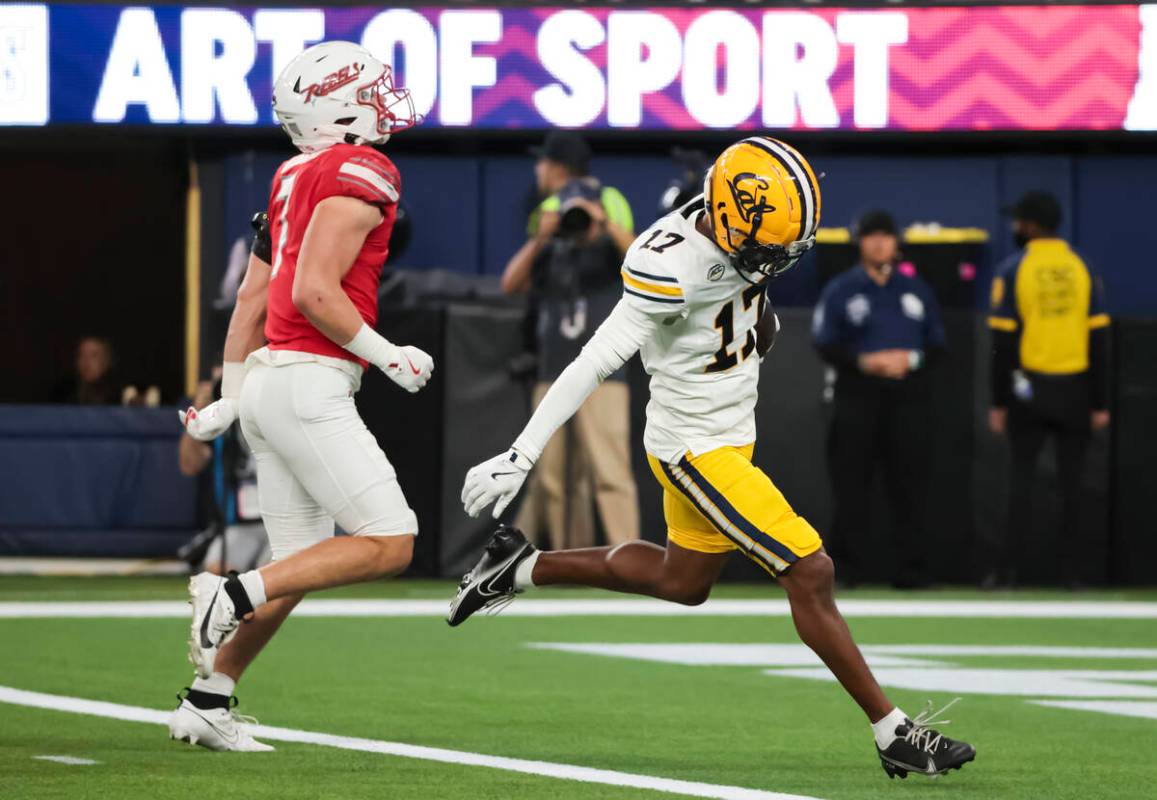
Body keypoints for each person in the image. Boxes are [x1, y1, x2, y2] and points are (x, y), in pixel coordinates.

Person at [450, 138, 975, 780]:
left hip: (731, 430)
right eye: (767, 247)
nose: (776, 258)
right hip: (694, 449)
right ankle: (893, 732)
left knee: (683, 583)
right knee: (810, 571)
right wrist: (521, 452)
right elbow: (592, 361)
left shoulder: (737, 213)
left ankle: (522, 567)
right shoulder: (668, 264)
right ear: (727, 221)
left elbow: (746, 260)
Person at [168, 41, 432, 752]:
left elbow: (253, 298)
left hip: (270, 384)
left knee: (298, 560)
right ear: (337, 107)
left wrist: (232, 396)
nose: (384, 101)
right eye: (371, 90)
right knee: (391, 541)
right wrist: (390, 355)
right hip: (310, 383)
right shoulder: (362, 167)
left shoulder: (291, 176)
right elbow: (314, 293)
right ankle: (227, 593)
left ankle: (207, 698)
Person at [502, 131, 640, 551]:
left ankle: (629, 558)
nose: (538, 170)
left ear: (557, 166)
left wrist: (601, 222)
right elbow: (512, 284)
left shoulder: (611, 198)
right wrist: (542, 237)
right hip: (554, 360)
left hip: (605, 363)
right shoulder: (543, 208)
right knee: (553, 475)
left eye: (543, 162)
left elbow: (641, 261)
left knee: (609, 470)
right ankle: (568, 558)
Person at [812, 211, 946, 589]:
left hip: (909, 396)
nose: (879, 243)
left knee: (910, 483)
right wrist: (863, 360)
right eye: (871, 236)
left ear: (896, 242)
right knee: (852, 483)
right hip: (858, 393)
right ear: (860, 242)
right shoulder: (842, 289)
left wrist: (910, 359)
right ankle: (848, 570)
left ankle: (913, 571)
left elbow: (937, 345)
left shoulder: (915, 290)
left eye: (886, 235)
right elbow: (824, 341)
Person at [986, 191, 1110, 589]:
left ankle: (1007, 574)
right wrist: (1100, 401)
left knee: (1021, 483)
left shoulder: (1013, 269)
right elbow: (1100, 339)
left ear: (1028, 225)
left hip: (1029, 389)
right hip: (1076, 388)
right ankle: (1075, 576)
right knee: (1075, 487)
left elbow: (1002, 345)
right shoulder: (1082, 267)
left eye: (1018, 221)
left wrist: (998, 401)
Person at [177, 372, 271, 575]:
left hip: (283, 519)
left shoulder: (274, 403)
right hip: (240, 524)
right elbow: (190, 465)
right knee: (215, 572)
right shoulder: (221, 425)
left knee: (274, 575)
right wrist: (199, 416)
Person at [54, 336, 122, 404]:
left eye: (94, 355)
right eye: (81, 355)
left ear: (106, 361)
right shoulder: (64, 393)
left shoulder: (118, 396)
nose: (86, 362)